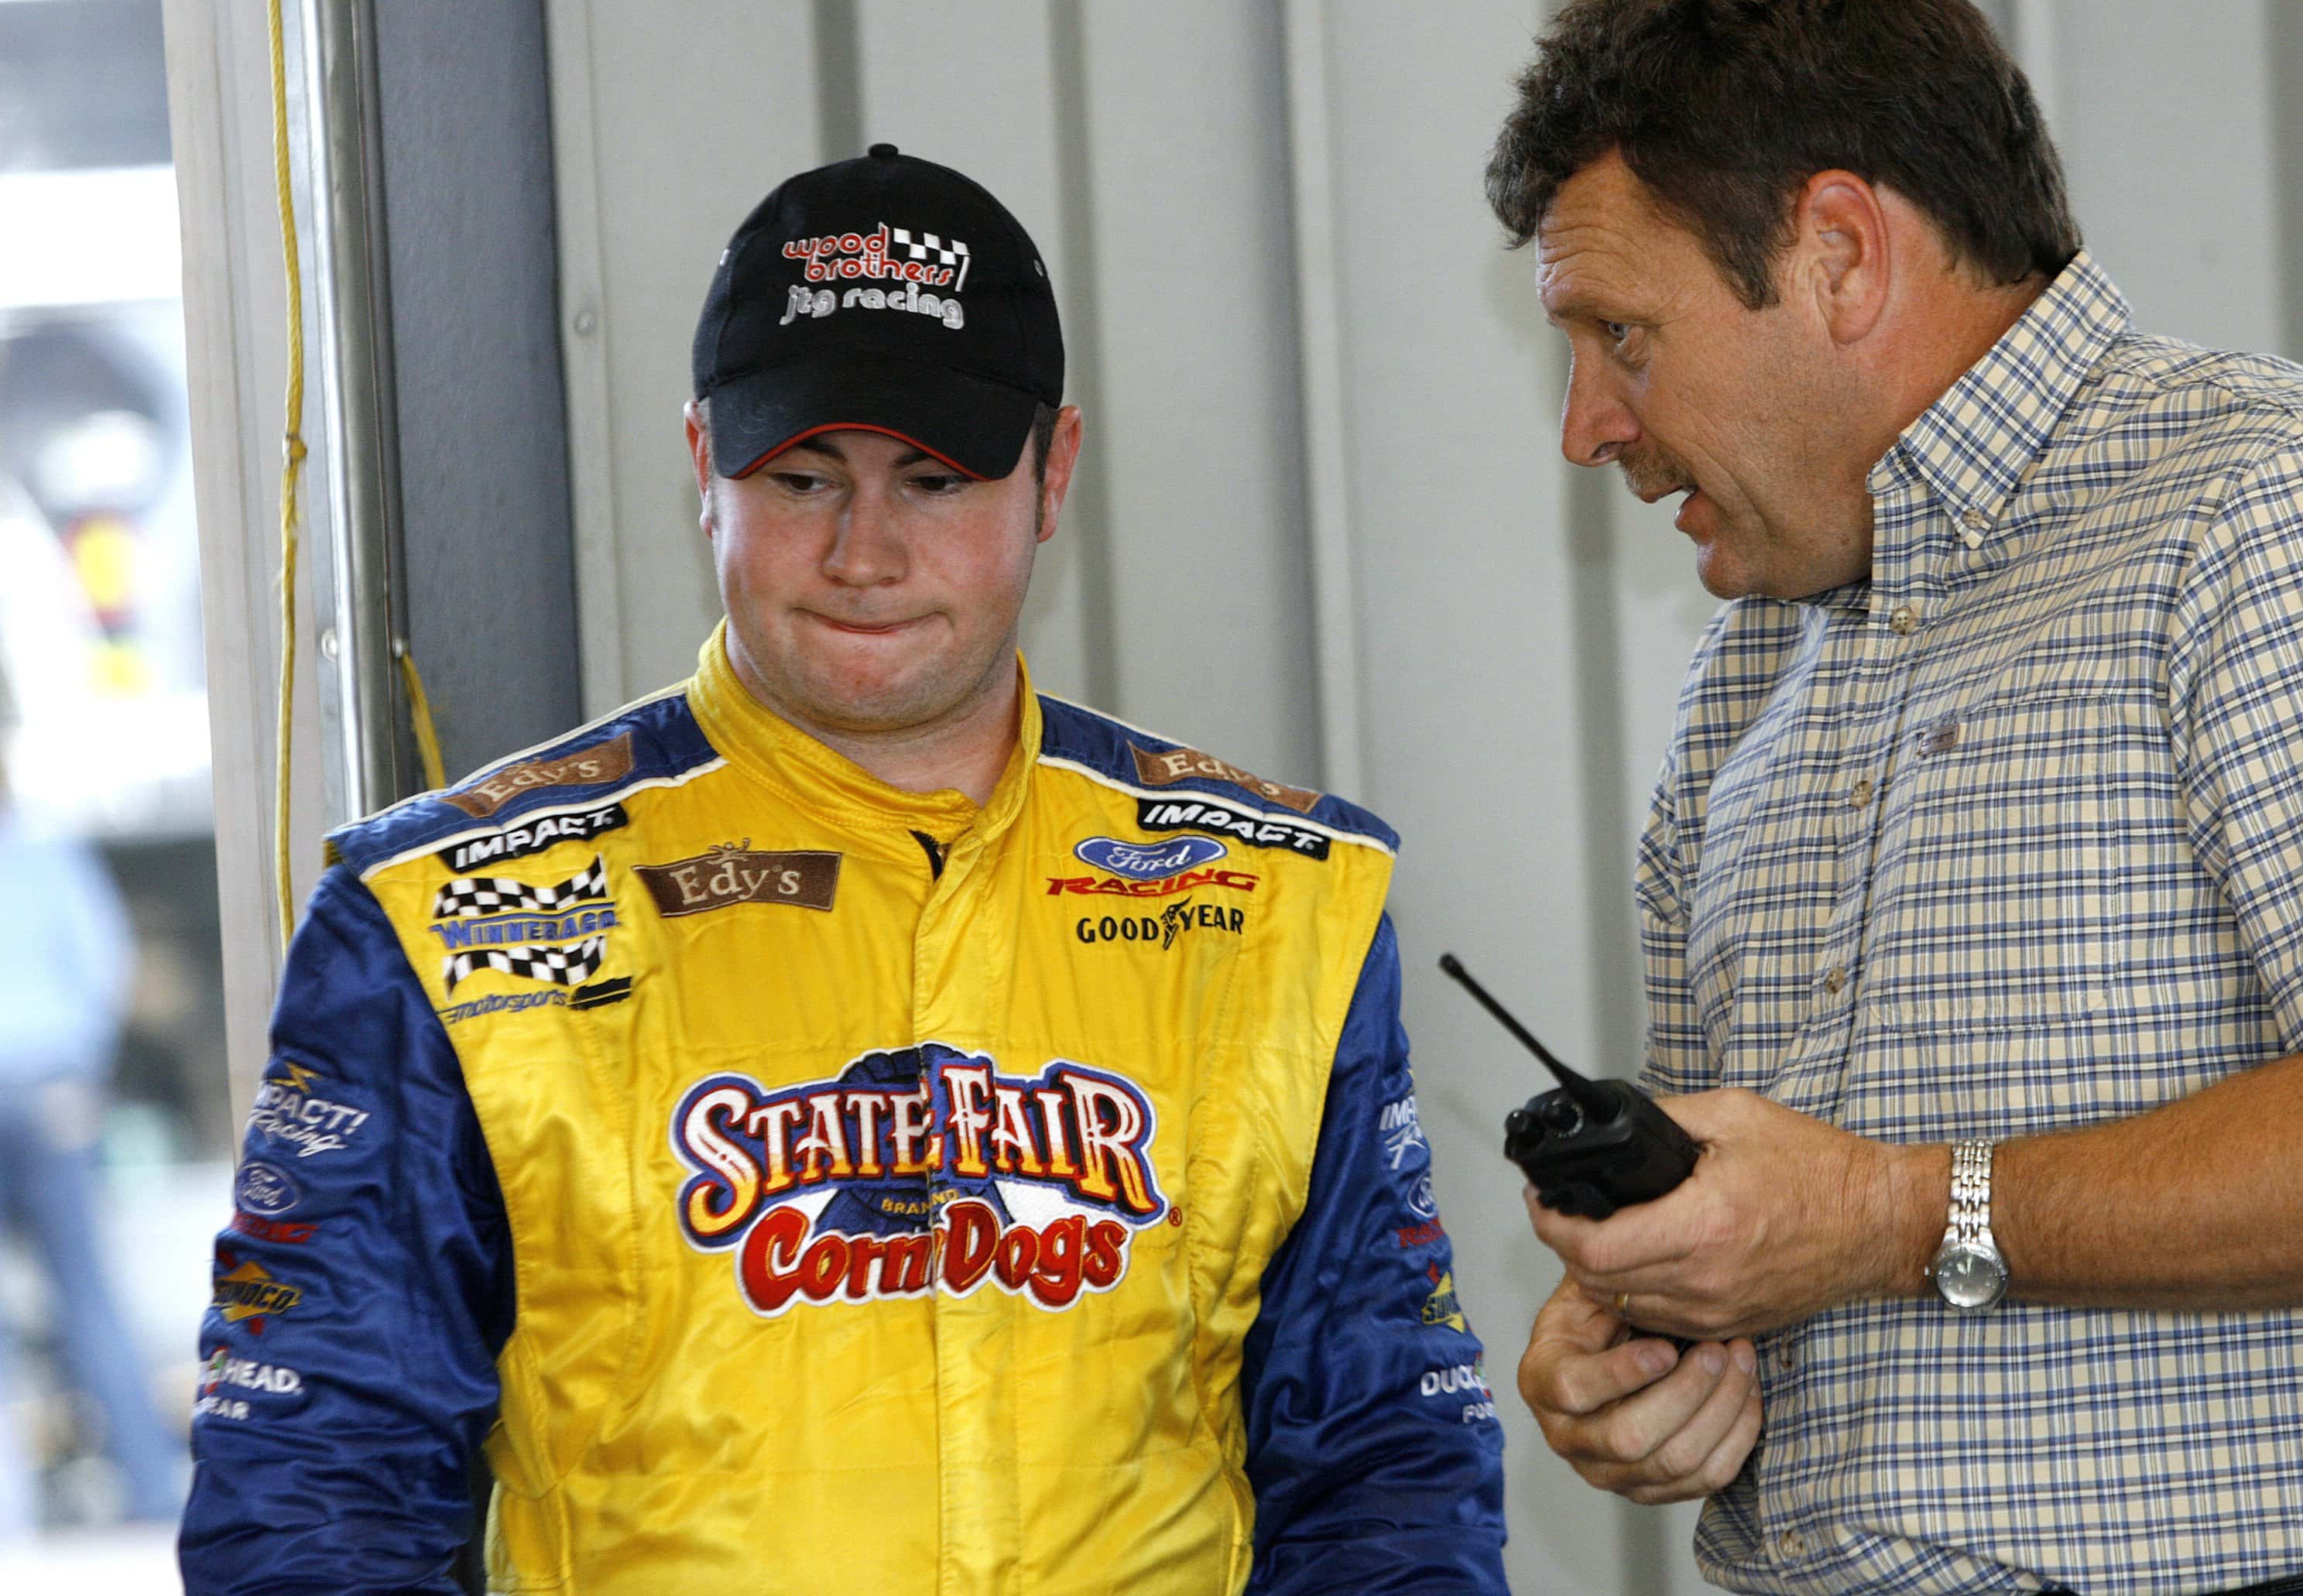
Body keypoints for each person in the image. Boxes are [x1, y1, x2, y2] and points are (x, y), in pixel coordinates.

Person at [1486, 0, 2303, 1596]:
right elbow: (1791, 1218)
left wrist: (1888, 1218)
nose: (1586, 421)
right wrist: (1661, 1344)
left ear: (1838, 253)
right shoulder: (1756, 676)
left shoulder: (2288, 508)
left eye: (1623, 336)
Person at [178, 146, 1509, 1592]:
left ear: (1052, 472)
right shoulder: (436, 915)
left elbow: (1385, 1463)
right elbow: (313, 1492)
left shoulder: (1275, 898)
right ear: (703, 467)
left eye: (934, 481)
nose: (862, 553)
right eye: (800, 476)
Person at [0, 759, 183, 1529]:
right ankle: (145, 1486)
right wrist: (85, 1067)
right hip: (50, 1091)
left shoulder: (45, 848)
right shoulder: (44, 850)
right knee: (87, 1295)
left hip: (46, 1093)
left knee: (86, 1296)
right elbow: (104, 963)